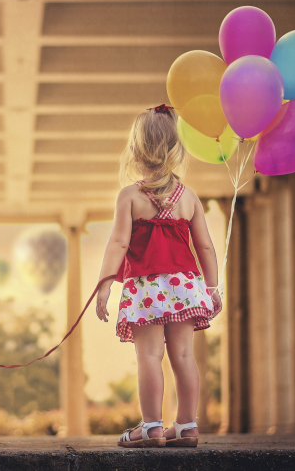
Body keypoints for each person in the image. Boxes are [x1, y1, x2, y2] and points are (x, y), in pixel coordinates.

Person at [95, 104, 222, 448]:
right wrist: (211, 288)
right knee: (183, 356)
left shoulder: (130, 197)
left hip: (147, 288)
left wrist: (105, 284)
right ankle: (187, 425)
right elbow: (206, 247)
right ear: (177, 152)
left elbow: (118, 243)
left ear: (135, 153)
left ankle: (151, 427)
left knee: (149, 356)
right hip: (185, 286)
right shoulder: (189, 199)